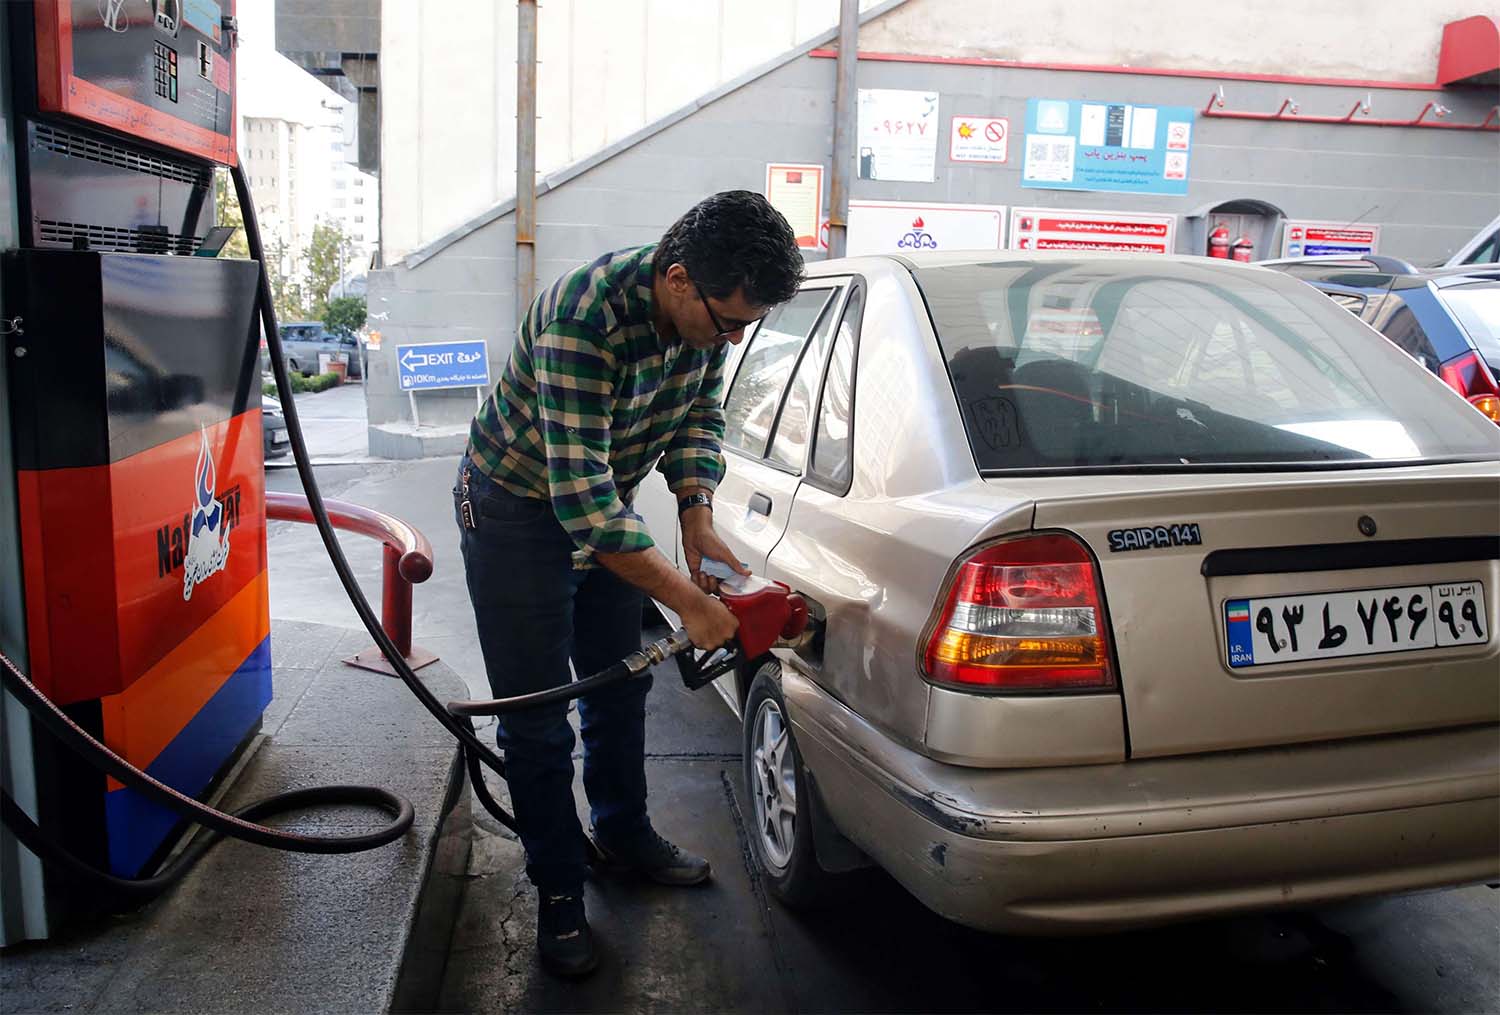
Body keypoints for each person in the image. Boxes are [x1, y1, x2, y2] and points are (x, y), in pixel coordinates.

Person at [454, 190, 805, 977]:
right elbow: (578, 501)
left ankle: (622, 831)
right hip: (519, 511)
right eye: (727, 322)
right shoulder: (583, 318)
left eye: (746, 325)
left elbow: (696, 419)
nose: (732, 337)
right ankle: (558, 889)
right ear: (678, 279)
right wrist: (689, 602)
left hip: (600, 508)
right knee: (540, 715)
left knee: (617, 688)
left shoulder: (707, 319)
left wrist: (696, 512)